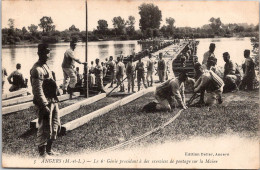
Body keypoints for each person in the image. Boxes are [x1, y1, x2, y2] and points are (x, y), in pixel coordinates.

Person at [30, 43, 60, 157]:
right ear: (39, 54)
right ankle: (42, 153)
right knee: (44, 128)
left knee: (55, 125)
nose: (48, 55)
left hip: (53, 100)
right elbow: (37, 90)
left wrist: (57, 92)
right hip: (45, 102)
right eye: (45, 53)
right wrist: (44, 105)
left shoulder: (46, 66)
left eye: (48, 52)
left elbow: (52, 80)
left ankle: (49, 150)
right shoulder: (36, 69)